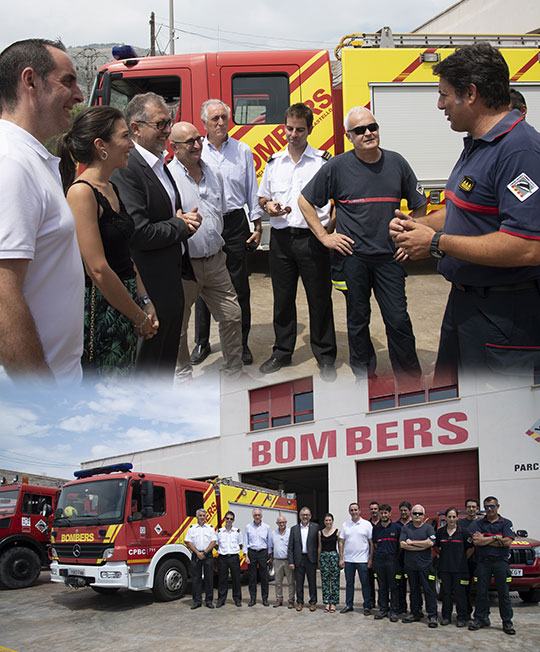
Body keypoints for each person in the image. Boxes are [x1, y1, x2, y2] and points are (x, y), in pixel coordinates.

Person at [390, 43, 540, 377]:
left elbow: (529, 246)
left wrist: (434, 243)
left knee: (497, 420)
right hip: (465, 305)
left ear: (470, 93)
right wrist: (419, 225)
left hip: (505, 316)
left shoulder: (520, 151)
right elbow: (463, 208)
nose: (440, 104)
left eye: (444, 94)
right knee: (454, 407)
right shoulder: (477, 142)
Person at [299, 106, 427, 380]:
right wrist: (324, 236)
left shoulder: (397, 163)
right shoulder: (337, 167)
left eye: (373, 127)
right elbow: (304, 201)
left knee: (398, 320)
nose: (368, 133)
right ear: (349, 136)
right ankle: (364, 376)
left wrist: (410, 238)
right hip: (352, 258)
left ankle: (410, 380)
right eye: (360, 130)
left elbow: (419, 205)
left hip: (390, 259)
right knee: (358, 321)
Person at [0, 39, 84, 383]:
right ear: (30, 81)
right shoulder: (12, 163)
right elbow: (3, 293)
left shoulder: (32, 160)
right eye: (68, 81)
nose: (79, 95)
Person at [57, 106, 158, 376]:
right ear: (101, 145)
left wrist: (145, 300)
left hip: (124, 304)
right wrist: (137, 316)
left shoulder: (111, 187)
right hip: (102, 311)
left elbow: (125, 255)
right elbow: (98, 270)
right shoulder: (81, 193)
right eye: (125, 137)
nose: (131, 145)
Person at [111, 92, 200, 377]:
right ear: (136, 128)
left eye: (169, 123)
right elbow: (138, 231)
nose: (167, 131)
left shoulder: (161, 163)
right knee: (148, 370)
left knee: (164, 367)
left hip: (170, 283)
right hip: (149, 288)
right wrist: (180, 225)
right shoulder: (128, 169)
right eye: (161, 124)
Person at [257, 103, 337, 380]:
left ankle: (325, 356)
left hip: (313, 240)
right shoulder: (274, 162)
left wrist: (327, 231)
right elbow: (262, 197)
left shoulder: (323, 162)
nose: (293, 134)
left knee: (319, 300)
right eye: (289, 129)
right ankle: (282, 351)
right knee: (282, 300)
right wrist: (268, 206)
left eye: (300, 130)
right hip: (281, 239)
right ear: (284, 127)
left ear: (310, 129)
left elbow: (337, 202)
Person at [167, 121, 243, 381]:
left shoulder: (213, 173)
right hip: (184, 265)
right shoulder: (167, 178)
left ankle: (234, 371)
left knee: (232, 315)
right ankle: (183, 376)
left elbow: (219, 211)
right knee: (178, 325)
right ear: (173, 147)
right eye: (189, 142)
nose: (197, 145)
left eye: (198, 139)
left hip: (216, 261)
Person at [191, 99, 262, 367]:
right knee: (201, 285)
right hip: (205, 222)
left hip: (234, 225)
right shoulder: (197, 150)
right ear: (204, 124)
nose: (220, 122)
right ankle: (201, 342)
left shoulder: (242, 150)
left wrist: (257, 225)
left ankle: (240, 344)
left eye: (223, 117)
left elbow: (251, 188)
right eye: (214, 119)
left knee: (239, 287)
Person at [469, 496, 516, 635]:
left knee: (504, 594)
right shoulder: (478, 523)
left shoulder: (506, 523)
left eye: (492, 506)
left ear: (498, 507)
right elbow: (476, 542)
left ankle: (507, 622)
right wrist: (496, 537)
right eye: (487, 507)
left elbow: (507, 542)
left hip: (501, 562)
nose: (489, 509)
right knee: (481, 593)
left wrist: (486, 539)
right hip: (483, 562)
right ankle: (480, 618)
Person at [399, 504, 438, 628]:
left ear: (423, 515)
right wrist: (422, 545)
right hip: (411, 566)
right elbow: (403, 545)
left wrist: (413, 543)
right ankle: (416, 613)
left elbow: (430, 543)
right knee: (414, 591)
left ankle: (432, 615)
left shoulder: (428, 528)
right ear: (411, 514)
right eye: (415, 513)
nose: (417, 516)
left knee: (429, 591)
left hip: (425, 566)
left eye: (419, 514)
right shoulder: (406, 528)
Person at [435, 506, 473, 627]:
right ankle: (446, 616)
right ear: (445, 518)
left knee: (460, 593)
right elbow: (435, 546)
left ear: (457, 518)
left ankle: (461, 617)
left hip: (459, 569)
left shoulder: (463, 532)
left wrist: (462, 559)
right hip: (444, 568)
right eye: (449, 517)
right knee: (446, 593)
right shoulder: (440, 532)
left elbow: (471, 548)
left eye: (453, 517)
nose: (451, 519)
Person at [339, 502, 373, 615]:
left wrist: (370, 559)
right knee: (349, 584)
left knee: (365, 584)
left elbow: (371, 543)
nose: (354, 512)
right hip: (349, 560)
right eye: (351, 510)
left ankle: (367, 606)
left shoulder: (367, 524)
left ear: (359, 511)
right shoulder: (345, 525)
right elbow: (341, 542)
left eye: (355, 510)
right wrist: (341, 558)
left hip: (363, 560)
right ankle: (349, 605)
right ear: (349, 512)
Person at [372, 504, 401, 622]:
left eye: (385, 513)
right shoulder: (376, 529)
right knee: (382, 586)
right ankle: (383, 609)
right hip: (379, 560)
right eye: (381, 513)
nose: (383, 515)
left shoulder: (396, 528)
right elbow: (375, 544)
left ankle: (394, 611)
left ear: (390, 514)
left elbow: (400, 546)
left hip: (392, 560)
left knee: (393, 586)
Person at [184, 508, 217, 609]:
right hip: (196, 555)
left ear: (206, 517)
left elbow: (213, 541)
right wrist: (198, 553)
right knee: (196, 579)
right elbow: (188, 542)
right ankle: (197, 601)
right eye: (200, 515)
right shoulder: (192, 528)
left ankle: (208, 601)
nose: (202, 517)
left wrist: (205, 552)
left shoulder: (210, 528)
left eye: (204, 515)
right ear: (197, 517)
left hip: (208, 555)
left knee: (209, 579)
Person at [288, 506, 319, 611]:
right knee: (299, 583)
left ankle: (313, 602)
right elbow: (290, 547)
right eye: (303, 515)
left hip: (311, 559)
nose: (305, 517)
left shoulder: (315, 527)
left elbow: (319, 544)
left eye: (307, 515)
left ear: (310, 516)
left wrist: (318, 560)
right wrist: (291, 561)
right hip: (298, 559)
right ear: (299, 516)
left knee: (312, 582)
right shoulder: (294, 529)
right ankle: (300, 602)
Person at [458, 497, 481, 620]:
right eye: (469, 507)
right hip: (465, 562)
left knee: (481, 590)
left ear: (477, 509)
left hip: (480, 562)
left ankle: (481, 616)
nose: (471, 509)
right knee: (464, 589)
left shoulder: (482, 523)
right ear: (465, 509)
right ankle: (465, 613)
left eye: (474, 507)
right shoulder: (460, 524)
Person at [243, 508, 271, 606]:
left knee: (264, 577)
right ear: (253, 516)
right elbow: (245, 542)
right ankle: (253, 599)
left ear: (261, 516)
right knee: (252, 577)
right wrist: (246, 555)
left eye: (259, 515)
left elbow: (269, 542)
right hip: (252, 553)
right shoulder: (248, 527)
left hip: (263, 553)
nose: (257, 517)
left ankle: (265, 599)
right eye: (255, 515)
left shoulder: (267, 527)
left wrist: (269, 555)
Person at [216, 510, 242, 607]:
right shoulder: (219, 532)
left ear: (233, 520)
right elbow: (216, 545)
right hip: (223, 558)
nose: (229, 520)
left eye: (231, 519)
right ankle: (221, 600)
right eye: (227, 518)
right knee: (222, 580)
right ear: (224, 519)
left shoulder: (237, 532)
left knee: (236, 579)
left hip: (234, 557)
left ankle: (237, 599)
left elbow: (240, 544)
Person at [269, 514, 295, 609]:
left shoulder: (290, 532)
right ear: (277, 523)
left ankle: (291, 600)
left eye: (283, 522)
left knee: (291, 581)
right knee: (278, 582)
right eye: (279, 522)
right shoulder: (273, 533)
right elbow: (270, 546)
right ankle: (279, 599)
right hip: (277, 561)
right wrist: (270, 558)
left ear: (286, 522)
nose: (281, 524)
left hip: (288, 560)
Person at [318, 512, 340, 613]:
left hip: (334, 557)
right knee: (325, 581)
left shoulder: (337, 532)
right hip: (324, 557)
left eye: (330, 520)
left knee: (334, 581)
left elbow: (340, 546)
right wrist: (319, 559)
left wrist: (341, 558)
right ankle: (327, 602)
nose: (328, 522)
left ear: (332, 521)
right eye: (326, 520)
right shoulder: (320, 532)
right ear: (324, 521)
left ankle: (334, 603)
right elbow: (319, 547)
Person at [395, 500, 412, 614]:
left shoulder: (414, 524)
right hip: (399, 559)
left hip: (412, 559)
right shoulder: (396, 525)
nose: (403, 512)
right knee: (400, 584)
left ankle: (416, 608)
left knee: (414, 586)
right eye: (401, 510)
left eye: (405, 510)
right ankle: (402, 607)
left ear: (409, 511)